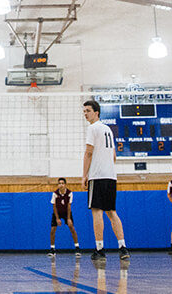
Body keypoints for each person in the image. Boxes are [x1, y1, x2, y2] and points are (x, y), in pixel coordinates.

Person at [81, 99, 128, 261]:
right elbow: (114, 156)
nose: (85, 114)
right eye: (84, 111)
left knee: (97, 212)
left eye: (88, 111)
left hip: (97, 176)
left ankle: (100, 249)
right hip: (110, 176)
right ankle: (123, 247)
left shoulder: (92, 128)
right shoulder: (108, 129)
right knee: (112, 212)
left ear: (96, 113)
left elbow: (88, 153)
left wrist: (84, 175)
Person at [49, 177, 80, 257]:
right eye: (59, 183)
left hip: (66, 212)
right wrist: (57, 218)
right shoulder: (55, 194)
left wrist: (69, 218)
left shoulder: (69, 193)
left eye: (62, 183)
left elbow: (69, 206)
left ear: (65, 185)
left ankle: (77, 248)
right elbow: (54, 206)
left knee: (71, 227)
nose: (61, 185)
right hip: (57, 212)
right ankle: (52, 249)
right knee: (52, 230)